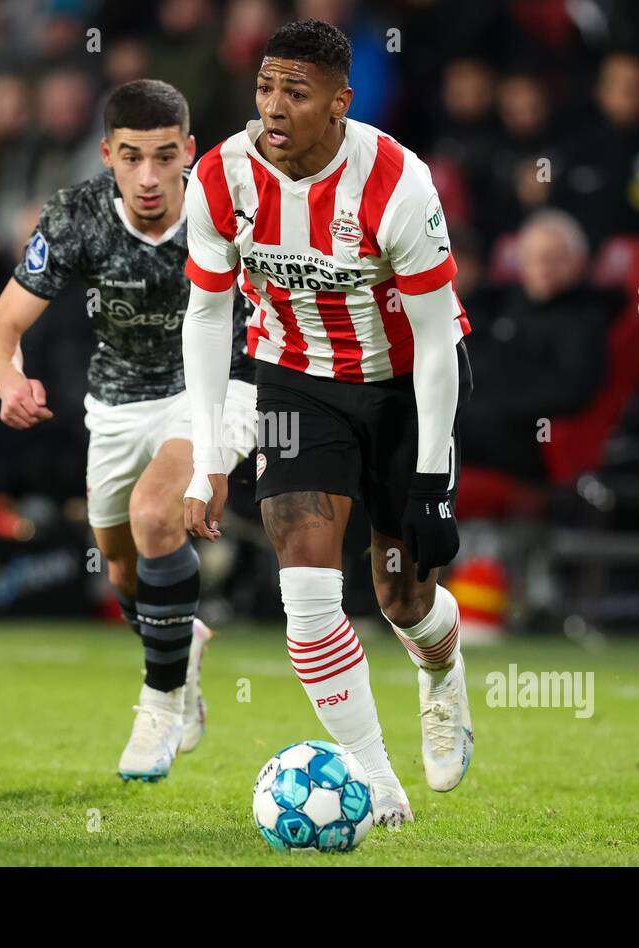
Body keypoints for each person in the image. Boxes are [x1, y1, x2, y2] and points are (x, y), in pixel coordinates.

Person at [181, 19, 474, 827]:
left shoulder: (396, 182)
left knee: (401, 595)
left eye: (296, 93)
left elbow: (440, 340)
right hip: (295, 386)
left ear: (341, 103)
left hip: (406, 386)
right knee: (306, 586)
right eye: (266, 88)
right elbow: (207, 317)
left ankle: (442, 672)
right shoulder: (221, 178)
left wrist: (430, 480)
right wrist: (211, 453)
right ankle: (377, 782)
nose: (273, 107)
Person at [0, 79, 256, 782]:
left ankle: (159, 708)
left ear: (190, 150)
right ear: (107, 154)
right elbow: (1, 329)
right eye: (132, 158)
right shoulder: (75, 217)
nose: (150, 177)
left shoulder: (227, 208)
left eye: (166, 157)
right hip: (117, 404)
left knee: (154, 515)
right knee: (122, 568)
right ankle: (179, 646)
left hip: (216, 388)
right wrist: (11, 382)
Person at [459, 209, 616, 481]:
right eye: (533, 258)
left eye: (555, 258)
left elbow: (570, 391)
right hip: (479, 416)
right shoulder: (504, 301)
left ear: (578, 262)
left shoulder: (585, 318)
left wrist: (492, 403)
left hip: (522, 437)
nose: (543, 266)